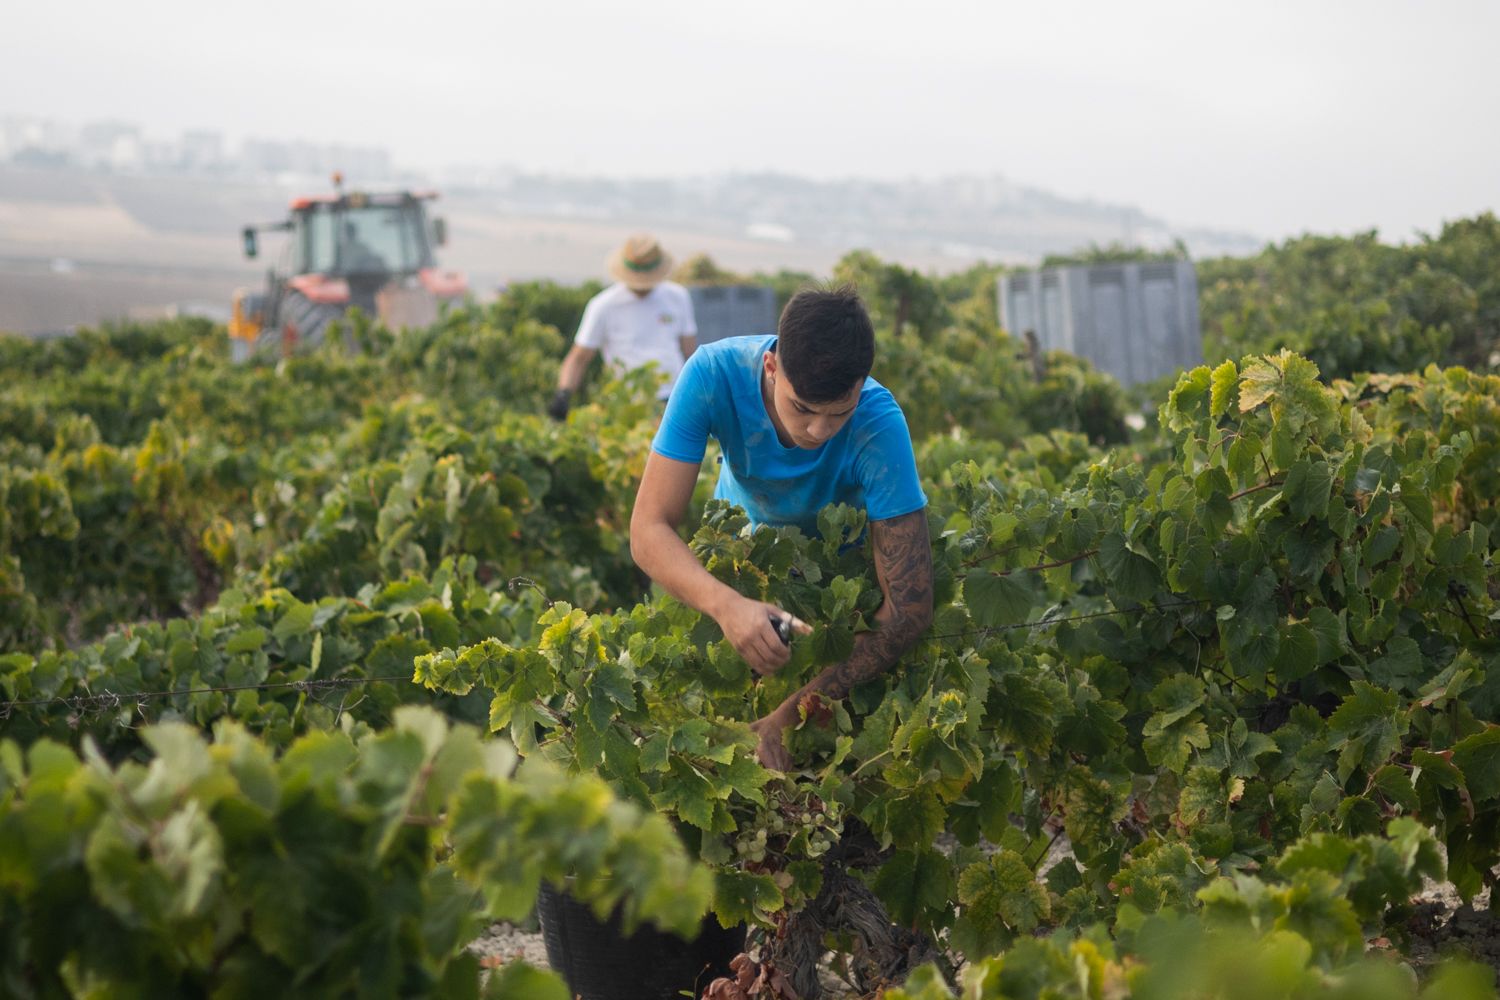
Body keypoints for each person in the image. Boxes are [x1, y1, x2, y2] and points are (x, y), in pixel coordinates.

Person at [629, 286, 934, 769]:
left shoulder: (879, 423)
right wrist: (727, 606)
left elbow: (909, 611)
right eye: (803, 409)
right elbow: (648, 530)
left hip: (838, 596)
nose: (818, 430)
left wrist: (791, 715)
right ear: (772, 367)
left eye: (839, 413)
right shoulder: (712, 374)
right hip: (743, 569)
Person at [547, 234, 698, 419]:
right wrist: (564, 393)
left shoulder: (677, 297)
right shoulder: (604, 305)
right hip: (626, 401)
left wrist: (699, 392)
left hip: (674, 396)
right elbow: (579, 357)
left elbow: (689, 351)